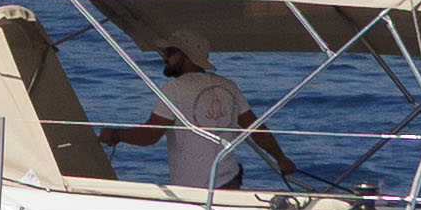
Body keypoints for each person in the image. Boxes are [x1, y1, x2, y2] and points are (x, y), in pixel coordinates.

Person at [116, 38, 299, 198]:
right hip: (230, 180)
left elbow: (149, 137)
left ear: (187, 56)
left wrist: (116, 135)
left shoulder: (173, 90)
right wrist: (281, 158)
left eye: (170, 52)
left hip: (194, 190)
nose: (164, 57)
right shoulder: (228, 86)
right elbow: (256, 129)